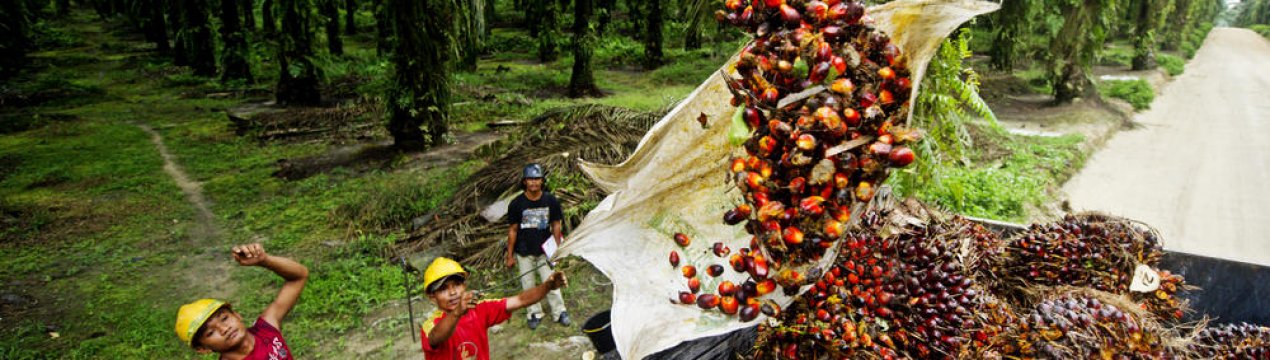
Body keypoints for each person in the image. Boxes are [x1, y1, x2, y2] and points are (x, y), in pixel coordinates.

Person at [174, 243, 309, 359]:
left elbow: (298, 277)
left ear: (236, 315)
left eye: (224, 318)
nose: (224, 329)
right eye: (210, 333)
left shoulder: (266, 329)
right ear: (203, 349)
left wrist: (264, 260)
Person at [420, 256, 567, 360]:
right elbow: (435, 337)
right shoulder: (430, 325)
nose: (452, 292)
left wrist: (547, 286)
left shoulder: (479, 309)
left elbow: (521, 300)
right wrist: (457, 312)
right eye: (443, 289)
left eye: (457, 285)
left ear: (464, 286)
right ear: (432, 297)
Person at [504, 163, 570, 329]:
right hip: (524, 251)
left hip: (544, 250)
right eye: (530, 179)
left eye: (537, 178)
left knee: (552, 280)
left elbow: (556, 225)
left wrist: (558, 249)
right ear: (524, 181)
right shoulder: (516, 204)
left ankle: (559, 311)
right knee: (528, 284)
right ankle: (534, 313)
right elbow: (513, 230)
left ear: (542, 181)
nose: (533, 182)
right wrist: (510, 255)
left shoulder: (550, 200)